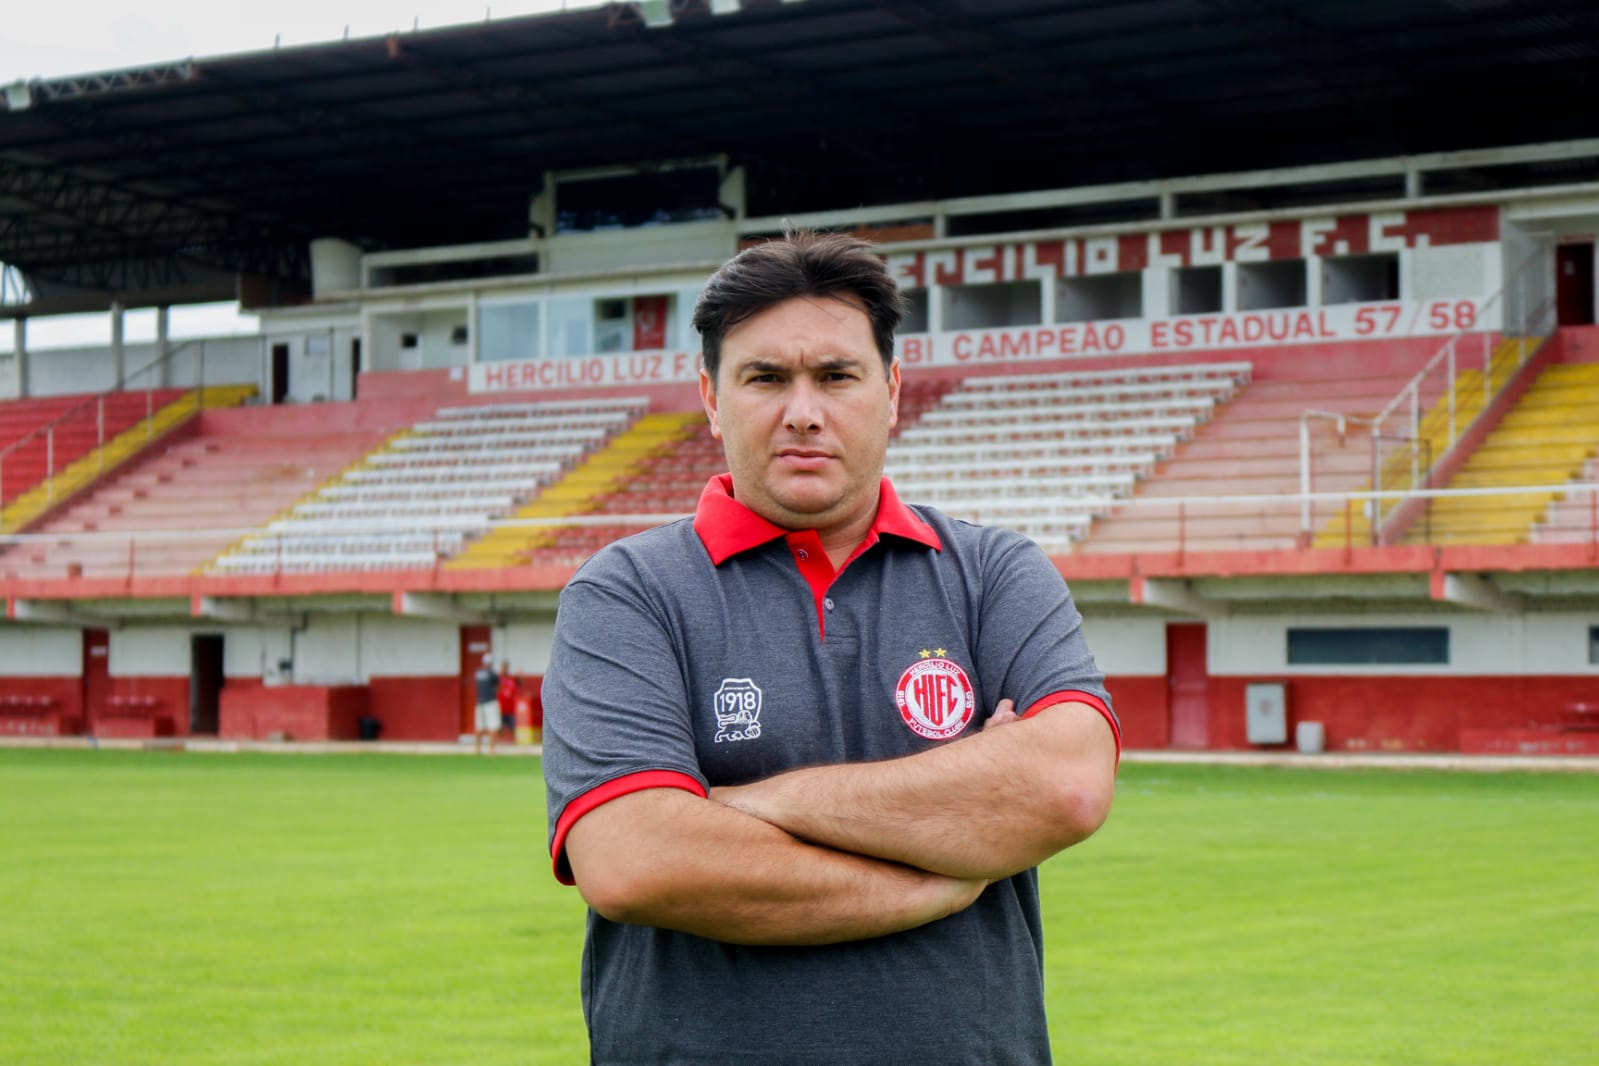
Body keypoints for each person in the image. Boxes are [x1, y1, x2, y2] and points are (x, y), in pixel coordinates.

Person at [542, 230, 1120, 1066]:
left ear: (890, 391)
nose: (803, 411)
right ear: (711, 398)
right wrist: (940, 876)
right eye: (765, 378)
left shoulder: (994, 572)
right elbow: (635, 860)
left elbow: (1065, 786)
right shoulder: (626, 590)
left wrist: (741, 803)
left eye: (836, 376)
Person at [472, 653, 499, 753]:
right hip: (490, 701)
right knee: (493, 725)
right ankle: (492, 749)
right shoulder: (492, 673)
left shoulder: (478, 673)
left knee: (479, 726)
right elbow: (498, 687)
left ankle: (477, 749)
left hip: (479, 702)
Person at [496, 661, 519, 741]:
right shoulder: (497, 679)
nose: (504, 669)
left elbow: (518, 685)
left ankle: (515, 742)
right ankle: (499, 742)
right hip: (500, 707)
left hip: (510, 708)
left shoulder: (511, 679)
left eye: (505, 667)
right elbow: (495, 690)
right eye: (503, 667)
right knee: (499, 727)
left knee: (513, 727)